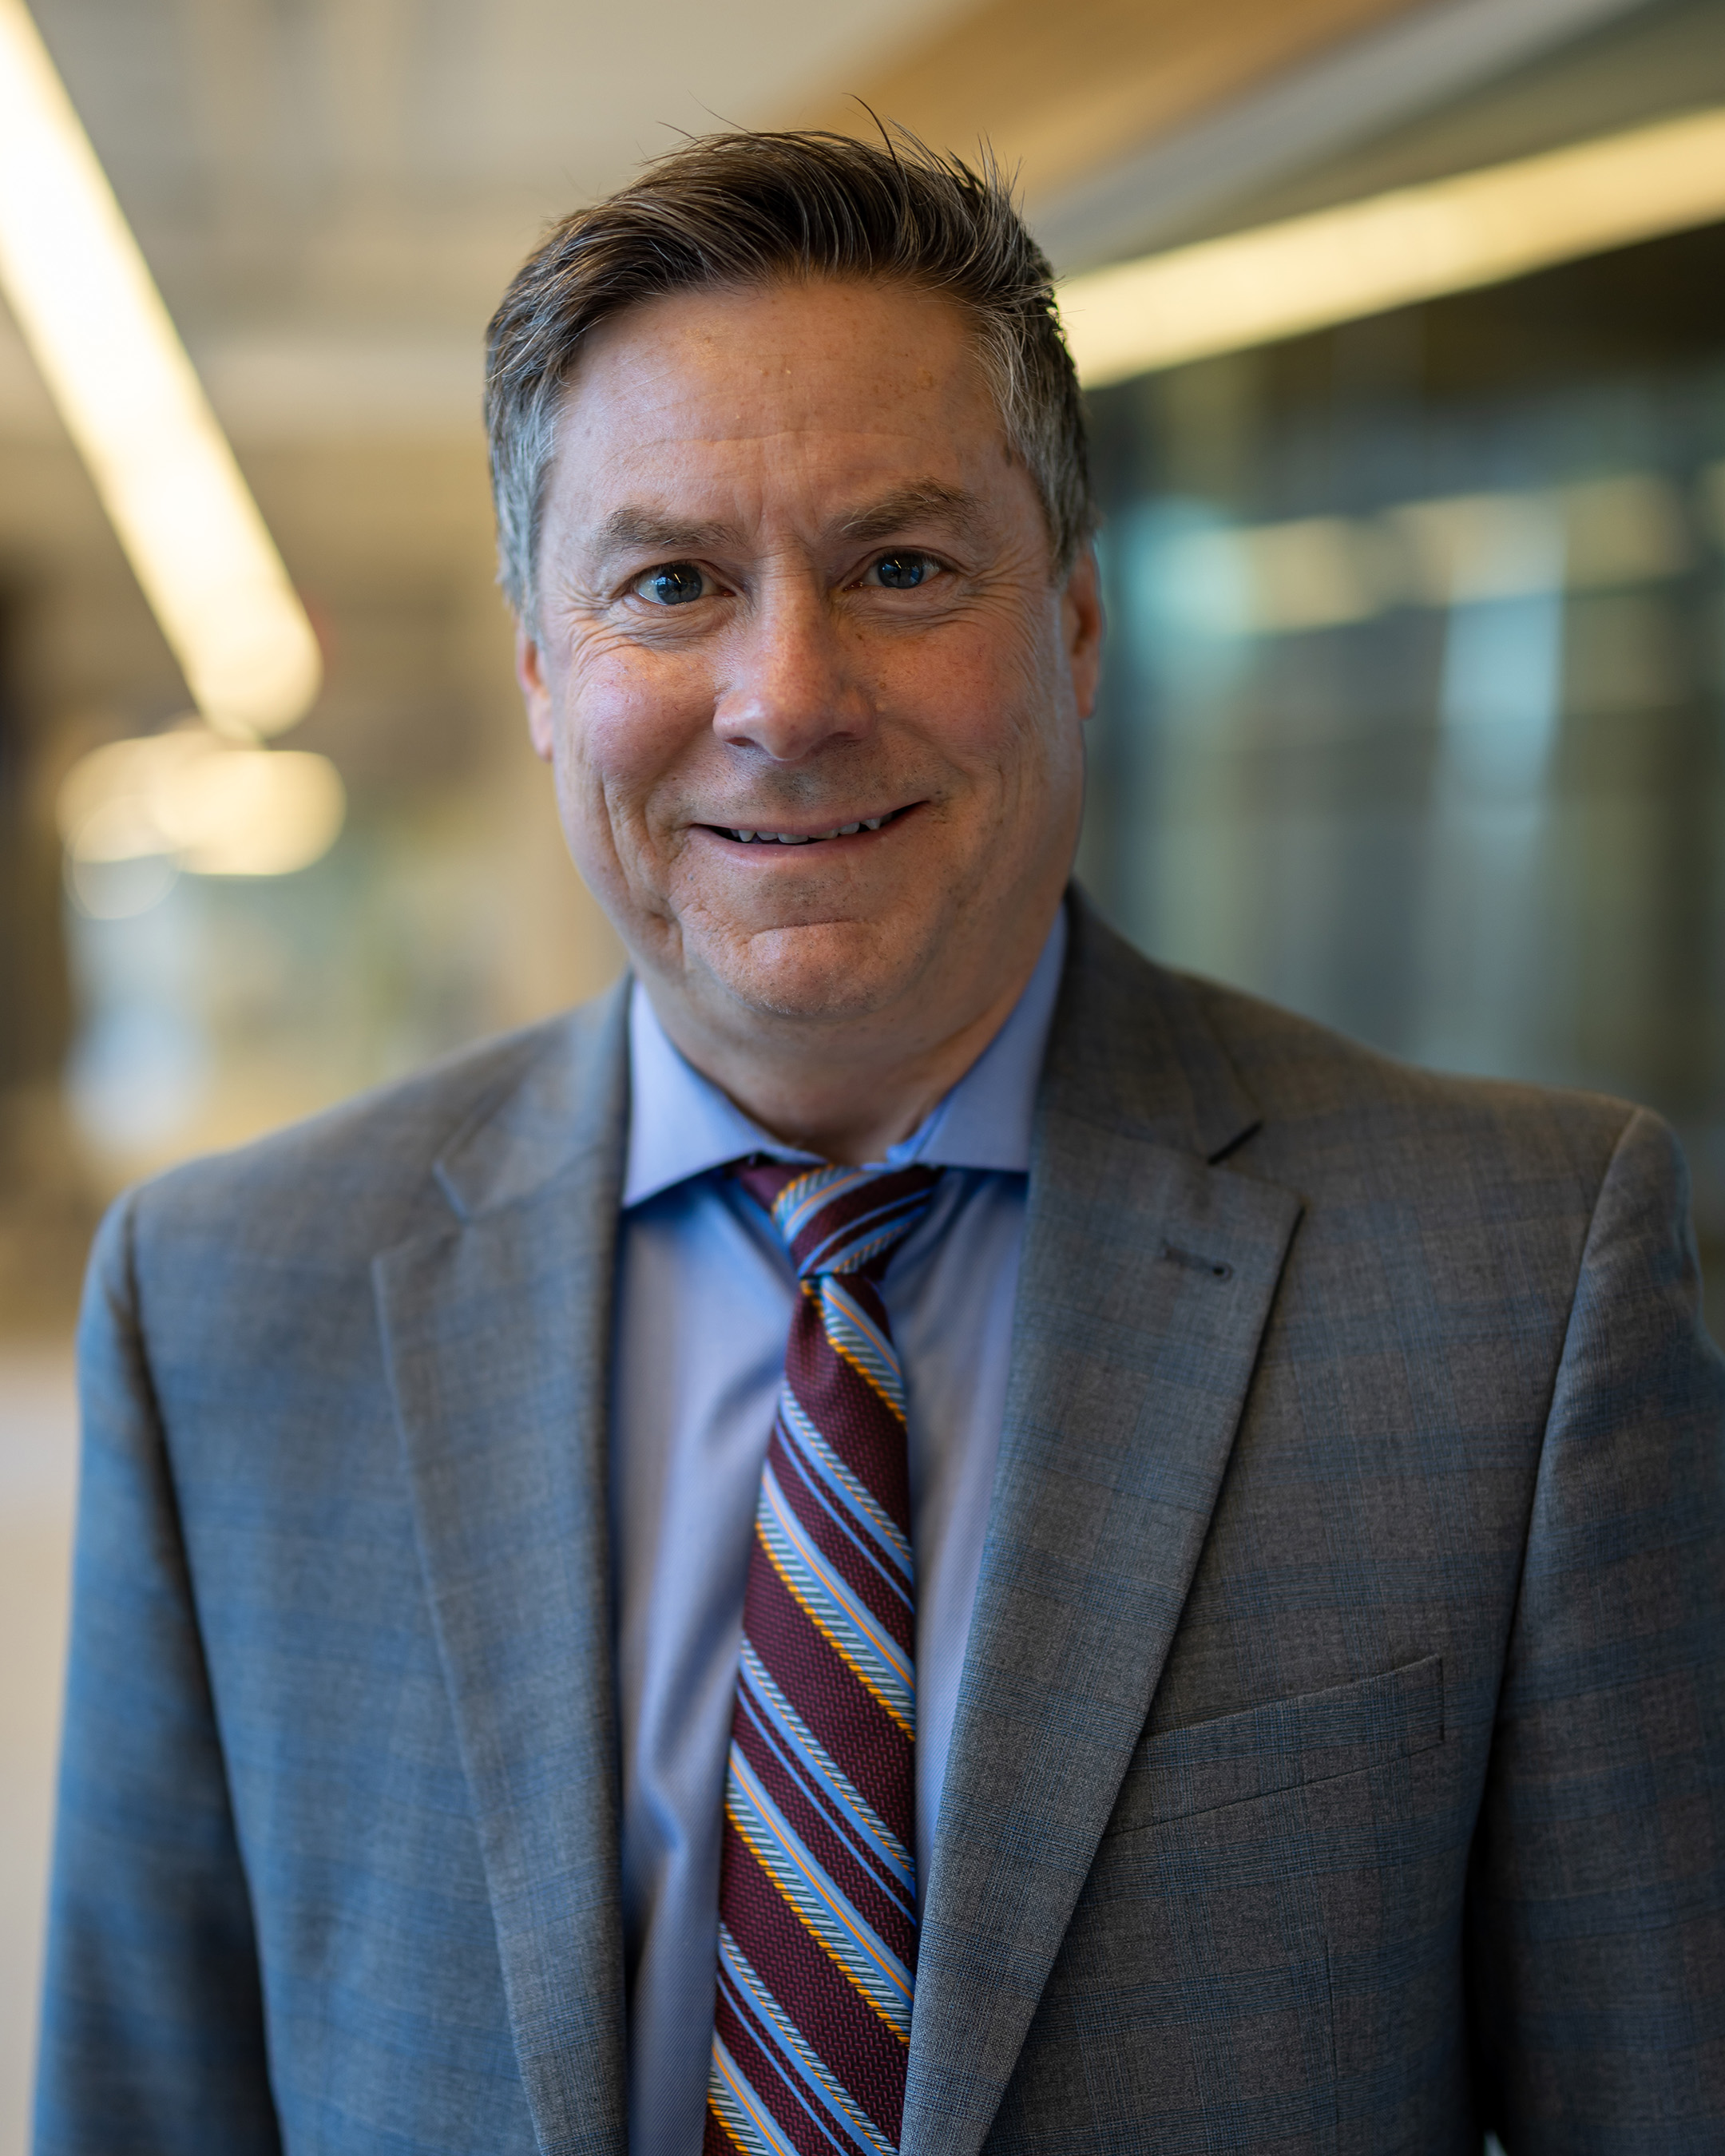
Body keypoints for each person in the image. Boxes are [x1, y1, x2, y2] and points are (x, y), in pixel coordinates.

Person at [34, 130, 1724, 2156]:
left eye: (901, 569)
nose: (787, 697)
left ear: (1076, 626)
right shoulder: (230, 1309)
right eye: (671, 584)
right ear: (544, 674)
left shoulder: (1517, 1285)